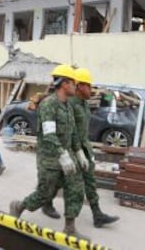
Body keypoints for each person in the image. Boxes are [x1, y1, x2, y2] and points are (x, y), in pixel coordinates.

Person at [9, 64, 90, 238]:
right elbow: (49, 134)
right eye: (73, 83)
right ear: (65, 84)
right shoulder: (48, 105)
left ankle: (70, 228)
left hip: (68, 156)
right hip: (50, 159)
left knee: (75, 188)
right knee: (45, 194)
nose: (76, 87)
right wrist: (61, 154)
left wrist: (78, 152)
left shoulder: (67, 105)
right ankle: (19, 206)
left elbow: (73, 131)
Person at [43, 68, 120, 227]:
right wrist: (70, 153)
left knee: (90, 182)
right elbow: (66, 131)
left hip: (82, 149)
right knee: (59, 182)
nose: (91, 90)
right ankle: (45, 203)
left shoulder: (84, 104)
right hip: (69, 150)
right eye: (89, 86)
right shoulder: (69, 104)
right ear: (80, 86)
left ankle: (97, 215)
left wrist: (85, 151)